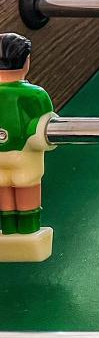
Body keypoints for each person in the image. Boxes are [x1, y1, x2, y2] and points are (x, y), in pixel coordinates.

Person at [0, 34, 55, 262]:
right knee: (26, 186)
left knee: (3, 188)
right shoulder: (35, 94)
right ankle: (28, 229)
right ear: (26, 62)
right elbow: (45, 124)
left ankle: (8, 229)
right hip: (23, 155)